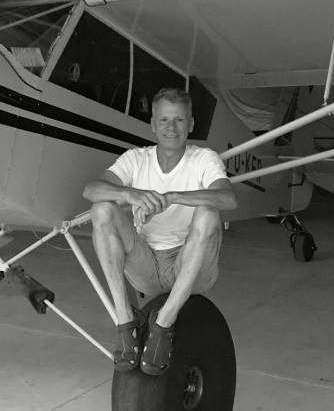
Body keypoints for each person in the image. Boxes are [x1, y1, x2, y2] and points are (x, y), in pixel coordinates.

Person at [82, 87, 236, 375]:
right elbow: (91, 190)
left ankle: (163, 324)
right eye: (164, 120)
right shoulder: (136, 158)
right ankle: (126, 322)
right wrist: (130, 194)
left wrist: (173, 197)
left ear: (191, 124)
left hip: (190, 265)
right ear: (153, 124)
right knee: (101, 208)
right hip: (147, 265)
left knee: (208, 213)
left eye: (179, 120)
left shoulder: (204, 159)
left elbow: (228, 199)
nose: (171, 127)